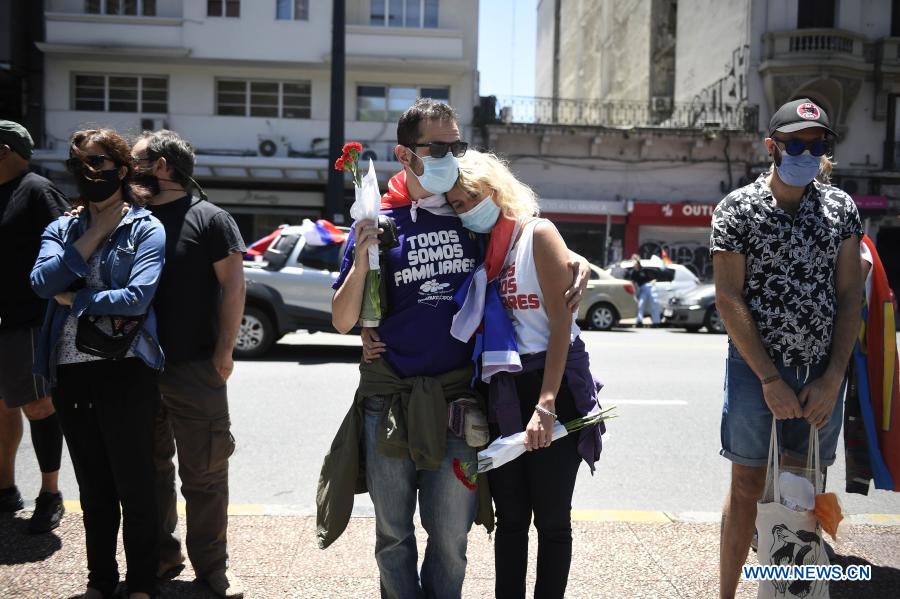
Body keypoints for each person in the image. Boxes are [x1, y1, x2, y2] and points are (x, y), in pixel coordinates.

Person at [322, 99, 590, 599]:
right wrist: (362, 256)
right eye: (439, 148)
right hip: (389, 401)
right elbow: (341, 318)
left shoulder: (467, 215)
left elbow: (525, 234)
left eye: (458, 146)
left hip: (459, 403)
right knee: (393, 536)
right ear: (405, 154)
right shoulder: (379, 219)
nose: (452, 157)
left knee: (451, 539)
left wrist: (579, 262)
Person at [711, 99, 862, 599]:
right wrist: (770, 379)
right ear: (772, 147)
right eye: (795, 145)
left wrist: (833, 377)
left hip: (820, 370)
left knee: (802, 488)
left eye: (816, 146)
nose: (807, 154)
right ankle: (727, 594)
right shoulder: (737, 209)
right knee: (747, 484)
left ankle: (788, 591)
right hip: (756, 371)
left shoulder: (841, 209)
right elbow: (728, 297)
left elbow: (850, 294)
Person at [445, 150, 605, 599]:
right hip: (503, 388)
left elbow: (561, 327)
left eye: (470, 199)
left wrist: (546, 404)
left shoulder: (537, 233)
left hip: (552, 384)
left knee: (552, 519)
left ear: (495, 191)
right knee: (511, 518)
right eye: (457, 205)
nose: (465, 210)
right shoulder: (482, 249)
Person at [30, 128, 166, 599]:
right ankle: (100, 581)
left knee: (136, 482)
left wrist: (78, 299)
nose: (89, 171)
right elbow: (42, 283)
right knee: (93, 485)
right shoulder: (63, 227)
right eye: (80, 163)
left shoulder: (146, 227)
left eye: (99, 162)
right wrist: (93, 235)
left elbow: (137, 297)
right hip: (70, 370)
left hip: (125, 367)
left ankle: (142, 583)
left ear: (122, 169)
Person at [130, 130, 246, 599]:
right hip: (135, 370)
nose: (128, 169)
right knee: (149, 472)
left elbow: (234, 286)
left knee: (205, 475)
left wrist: (225, 351)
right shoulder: (129, 218)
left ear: (161, 166)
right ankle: (163, 557)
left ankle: (212, 568)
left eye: (136, 161)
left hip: (196, 367)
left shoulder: (210, 219)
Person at [0, 120, 69, 533]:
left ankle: (50, 493)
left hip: (28, 320)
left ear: (5, 150)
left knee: (39, 405)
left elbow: (67, 247)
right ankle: (5, 489)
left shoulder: (38, 190)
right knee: (2, 406)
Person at [628, 254, 660, 327]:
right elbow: (633, 282)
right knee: (640, 305)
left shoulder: (644, 270)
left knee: (654, 304)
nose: (635, 264)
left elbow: (655, 275)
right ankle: (639, 322)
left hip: (650, 287)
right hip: (642, 289)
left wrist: (654, 280)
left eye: (636, 262)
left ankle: (656, 322)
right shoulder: (633, 273)